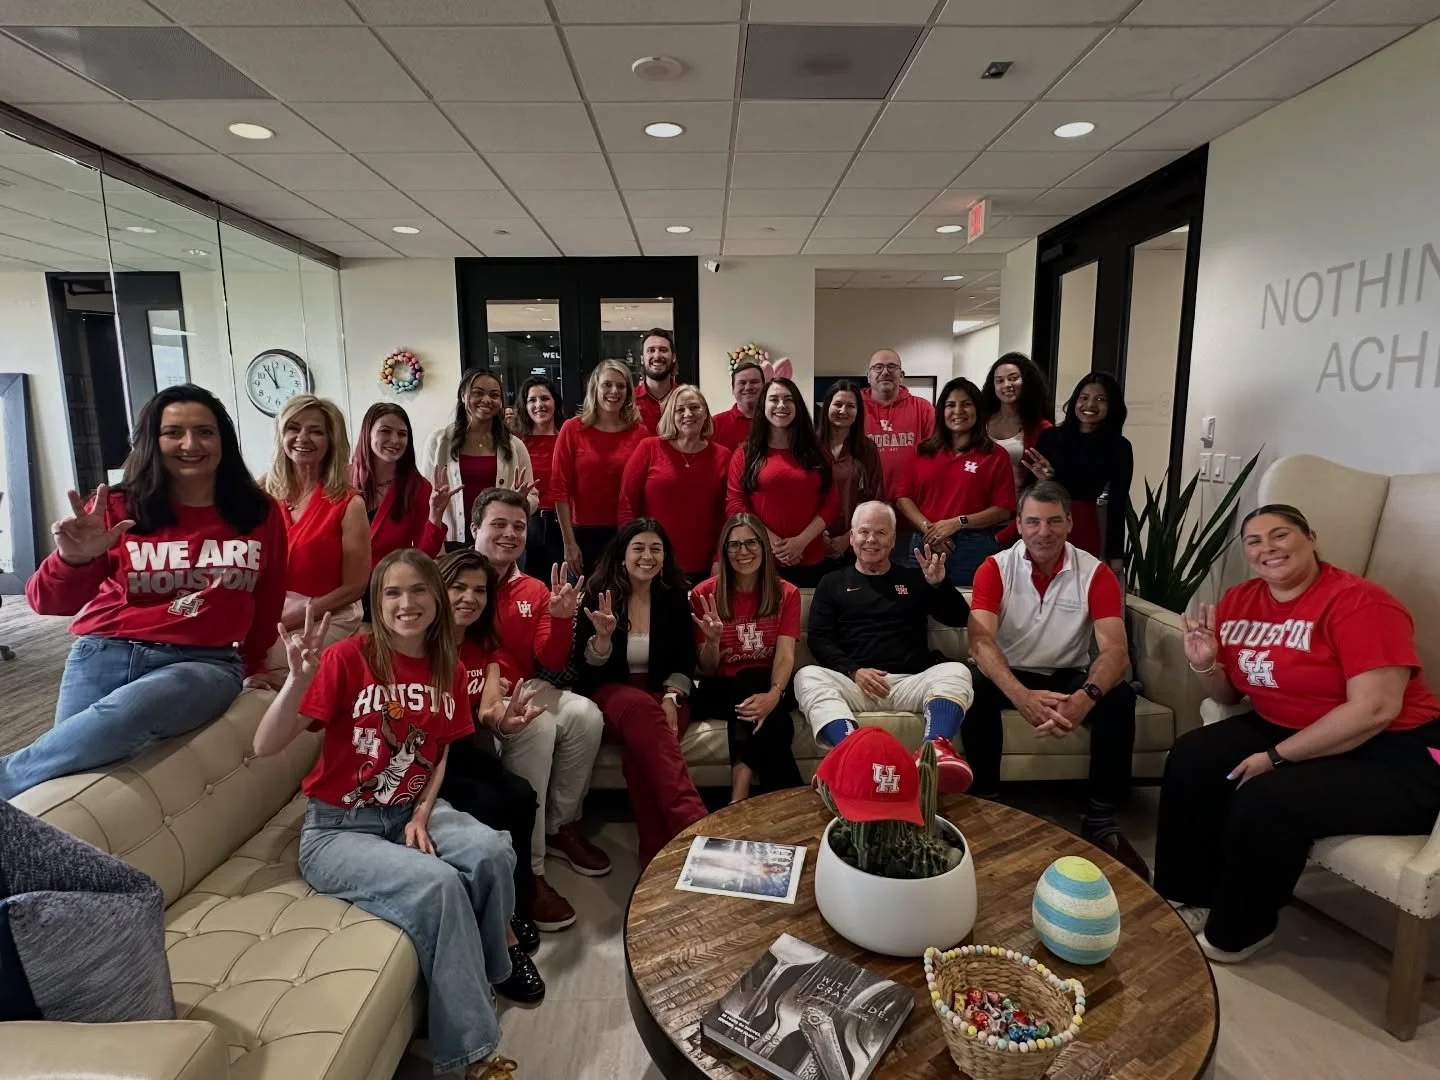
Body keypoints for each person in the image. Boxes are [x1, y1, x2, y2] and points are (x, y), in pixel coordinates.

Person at [252, 550, 519, 1080]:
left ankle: (487, 976)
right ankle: (470, 1055)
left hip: (406, 813)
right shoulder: (348, 657)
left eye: (418, 590)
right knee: (440, 885)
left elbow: (437, 750)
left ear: (437, 600)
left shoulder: (447, 664)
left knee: (493, 850)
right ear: (377, 602)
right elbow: (264, 745)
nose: (406, 603)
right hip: (337, 831)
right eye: (392, 592)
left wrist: (422, 811)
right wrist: (296, 679)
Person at [1155, 505, 1440, 964]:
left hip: (1395, 749)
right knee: (1192, 756)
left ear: (1310, 537)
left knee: (1268, 797)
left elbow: (1375, 709)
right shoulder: (1239, 601)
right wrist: (1205, 661)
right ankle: (1189, 895)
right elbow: (1228, 691)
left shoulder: (1360, 602)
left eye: (1280, 535)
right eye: (1254, 541)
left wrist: (1276, 756)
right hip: (1286, 722)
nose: (1268, 548)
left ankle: (1240, 932)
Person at [1, 385, 286, 798]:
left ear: (224, 440)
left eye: (205, 431)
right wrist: (73, 559)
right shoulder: (115, 507)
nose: (190, 444)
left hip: (202, 664)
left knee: (113, 722)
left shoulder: (258, 511)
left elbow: (269, 595)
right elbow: (44, 602)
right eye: (174, 432)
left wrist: (255, 663)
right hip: (104, 650)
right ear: (152, 441)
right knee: (59, 784)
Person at [964, 481, 1147, 880]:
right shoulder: (994, 568)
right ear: (1018, 524)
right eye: (1032, 522)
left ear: (1068, 523)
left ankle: (1100, 818)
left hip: (1068, 672)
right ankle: (987, 803)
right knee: (974, 689)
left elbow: (1115, 650)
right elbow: (980, 642)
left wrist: (1085, 696)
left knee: (1119, 700)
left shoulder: (1095, 572)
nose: (1042, 532)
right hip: (1011, 672)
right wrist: (1021, 696)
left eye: (1052, 522)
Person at [470, 487, 607, 932]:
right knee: (539, 727)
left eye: (518, 526)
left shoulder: (533, 587)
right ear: (475, 528)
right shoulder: (452, 577)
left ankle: (560, 826)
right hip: (467, 690)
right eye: (499, 524)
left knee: (585, 715)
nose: (510, 534)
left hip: (522, 685)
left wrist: (564, 617)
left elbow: (548, 662)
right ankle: (530, 870)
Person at [793, 501, 974, 793]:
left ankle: (935, 750)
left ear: (893, 539)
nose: (871, 540)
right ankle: (851, 751)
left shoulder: (916, 577)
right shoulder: (832, 582)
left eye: (880, 532)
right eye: (863, 532)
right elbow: (820, 638)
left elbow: (958, 618)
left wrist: (939, 585)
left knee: (957, 670)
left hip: (909, 682)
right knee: (806, 676)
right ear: (851, 537)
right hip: (856, 684)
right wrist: (853, 671)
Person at [436, 548, 548, 1003]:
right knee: (488, 805)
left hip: (466, 749)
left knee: (520, 795)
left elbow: (488, 711)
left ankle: (516, 904)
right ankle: (502, 937)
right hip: (430, 757)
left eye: (479, 590)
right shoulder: (422, 642)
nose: (468, 598)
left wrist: (508, 720)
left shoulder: (485, 643)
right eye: (458, 587)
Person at [573, 519, 708, 867]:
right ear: (622, 555)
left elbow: (685, 659)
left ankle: (655, 859)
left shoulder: (676, 596)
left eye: (656, 549)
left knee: (640, 757)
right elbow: (585, 670)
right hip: (613, 692)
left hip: (665, 693)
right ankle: (692, 822)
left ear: (665, 556)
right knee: (641, 711)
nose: (647, 556)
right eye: (639, 548)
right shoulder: (598, 594)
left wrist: (671, 696)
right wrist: (601, 642)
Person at [691, 514, 804, 803]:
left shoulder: (786, 593)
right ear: (724, 551)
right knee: (750, 689)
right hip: (719, 689)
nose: (743, 552)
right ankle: (792, 802)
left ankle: (738, 796)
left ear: (764, 546)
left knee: (760, 698)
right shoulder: (704, 594)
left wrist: (774, 695)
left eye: (751, 543)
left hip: (770, 684)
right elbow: (706, 669)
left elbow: (785, 655)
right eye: (734, 545)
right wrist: (713, 641)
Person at [261, 394, 369, 678]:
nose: (302, 437)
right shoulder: (262, 495)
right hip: (268, 616)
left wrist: (290, 617)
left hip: (326, 616)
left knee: (269, 660)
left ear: (332, 440)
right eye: (294, 428)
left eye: (316, 431)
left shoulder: (349, 503)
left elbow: (354, 587)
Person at [895, 377, 1016, 586]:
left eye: (966, 404)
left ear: (978, 410)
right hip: (925, 543)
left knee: (966, 610)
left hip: (972, 546)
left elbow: (1003, 509)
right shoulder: (923, 451)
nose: (958, 411)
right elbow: (903, 498)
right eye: (951, 405)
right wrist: (930, 529)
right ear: (941, 411)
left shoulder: (995, 455)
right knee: (916, 609)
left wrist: (957, 523)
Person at [726, 377, 838, 588]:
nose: (781, 405)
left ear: (797, 406)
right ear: (763, 406)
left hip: (810, 556)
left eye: (788, 399)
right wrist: (773, 542)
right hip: (760, 557)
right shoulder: (745, 453)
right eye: (773, 399)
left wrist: (801, 542)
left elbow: (831, 504)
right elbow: (736, 505)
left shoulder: (817, 452)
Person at [619, 385, 729, 581]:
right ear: (671, 415)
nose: (688, 414)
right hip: (652, 562)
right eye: (680, 409)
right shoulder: (649, 448)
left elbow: (724, 514)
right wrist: (629, 551)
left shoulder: (722, 456)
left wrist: (719, 558)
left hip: (704, 566)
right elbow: (627, 502)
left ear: (705, 413)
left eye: (695, 408)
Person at [1026, 373, 1132, 575]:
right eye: (1084, 397)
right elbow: (1032, 491)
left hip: (1086, 523)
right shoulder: (1050, 438)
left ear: (1112, 406)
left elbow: (1118, 503)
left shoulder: (1119, 446)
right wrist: (1046, 481)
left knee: (1079, 586)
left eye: (1100, 399)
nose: (1090, 404)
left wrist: (1115, 556)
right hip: (1046, 519)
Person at [420, 369, 538, 548]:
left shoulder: (514, 446)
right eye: (478, 393)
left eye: (494, 395)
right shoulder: (439, 442)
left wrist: (520, 501)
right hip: (452, 540)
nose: (486, 400)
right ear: (463, 395)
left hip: (500, 542)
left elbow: (532, 497)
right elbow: (425, 497)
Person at [552, 359, 650, 576]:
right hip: (583, 534)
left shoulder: (640, 433)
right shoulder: (572, 429)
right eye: (607, 384)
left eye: (621, 386)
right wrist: (569, 543)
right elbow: (559, 489)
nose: (614, 391)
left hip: (627, 532)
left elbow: (644, 489)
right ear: (595, 388)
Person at [350, 402, 449, 568]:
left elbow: (423, 554)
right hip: (342, 586)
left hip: (390, 583)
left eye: (402, 434)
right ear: (367, 433)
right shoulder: (342, 479)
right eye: (385, 431)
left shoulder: (418, 487)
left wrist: (435, 515)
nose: (395, 440)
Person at [816, 380, 885, 572]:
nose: (843, 410)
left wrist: (848, 538)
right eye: (837, 404)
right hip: (813, 544)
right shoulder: (809, 447)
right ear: (827, 406)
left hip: (856, 546)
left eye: (850, 406)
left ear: (858, 412)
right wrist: (818, 535)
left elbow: (876, 500)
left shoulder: (867, 449)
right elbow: (800, 498)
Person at [512, 374, 564, 582]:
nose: (539, 405)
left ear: (555, 402)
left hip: (562, 525)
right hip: (527, 523)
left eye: (545, 398)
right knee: (527, 588)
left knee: (561, 587)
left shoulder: (567, 439)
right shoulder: (515, 443)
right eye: (532, 400)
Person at [861, 349, 935, 492]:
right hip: (866, 502)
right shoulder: (855, 407)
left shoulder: (923, 408)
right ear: (868, 376)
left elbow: (936, 455)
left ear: (901, 376)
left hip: (912, 501)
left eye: (891, 366)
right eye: (878, 367)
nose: (885, 372)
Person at [983, 353, 1053, 496]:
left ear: (1027, 381)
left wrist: (1047, 477)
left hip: (1019, 507)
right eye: (999, 381)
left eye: (1013, 378)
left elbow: (1048, 477)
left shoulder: (1043, 429)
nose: (1006, 385)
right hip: (978, 508)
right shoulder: (980, 421)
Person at [633, 327, 678, 432]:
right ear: (642, 359)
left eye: (663, 350)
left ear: (673, 357)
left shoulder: (687, 399)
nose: (657, 356)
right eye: (651, 350)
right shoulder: (628, 400)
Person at [711, 360, 764, 449]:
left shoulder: (774, 421)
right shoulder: (715, 424)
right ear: (733, 389)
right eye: (742, 383)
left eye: (754, 382)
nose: (748, 387)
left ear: (764, 386)